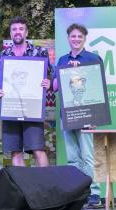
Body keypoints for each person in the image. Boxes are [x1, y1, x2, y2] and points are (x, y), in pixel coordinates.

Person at [53, 23, 102, 207]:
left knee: (88, 156)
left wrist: (96, 117)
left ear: (84, 39)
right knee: (73, 157)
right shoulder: (62, 60)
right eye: (73, 36)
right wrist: (66, 71)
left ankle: (94, 193)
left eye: (79, 36)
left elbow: (97, 89)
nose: (76, 39)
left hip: (86, 115)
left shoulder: (93, 58)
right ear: (68, 38)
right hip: (67, 114)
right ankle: (77, 193)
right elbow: (55, 87)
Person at [0, 16, 51, 167]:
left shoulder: (40, 52)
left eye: (21, 29)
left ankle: (45, 189)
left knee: (38, 149)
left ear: (26, 32)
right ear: (10, 33)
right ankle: (21, 189)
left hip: (32, 108)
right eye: (14, 29)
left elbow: (50, 77)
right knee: (16, 151)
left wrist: (48, 82)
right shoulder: (2, 56)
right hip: (10, 107)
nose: (17, 32)